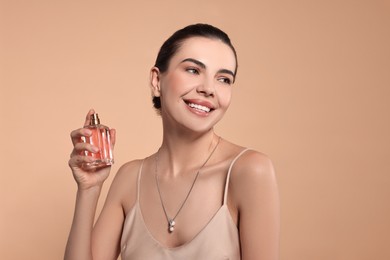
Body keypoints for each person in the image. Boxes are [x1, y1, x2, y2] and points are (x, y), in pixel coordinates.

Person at [65, 23, 279, 260]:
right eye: (193, 70)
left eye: (224, 79)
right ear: (157, 81)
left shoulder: (249, 171)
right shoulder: (129, 178)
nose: (209, 89)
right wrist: (89, 189)